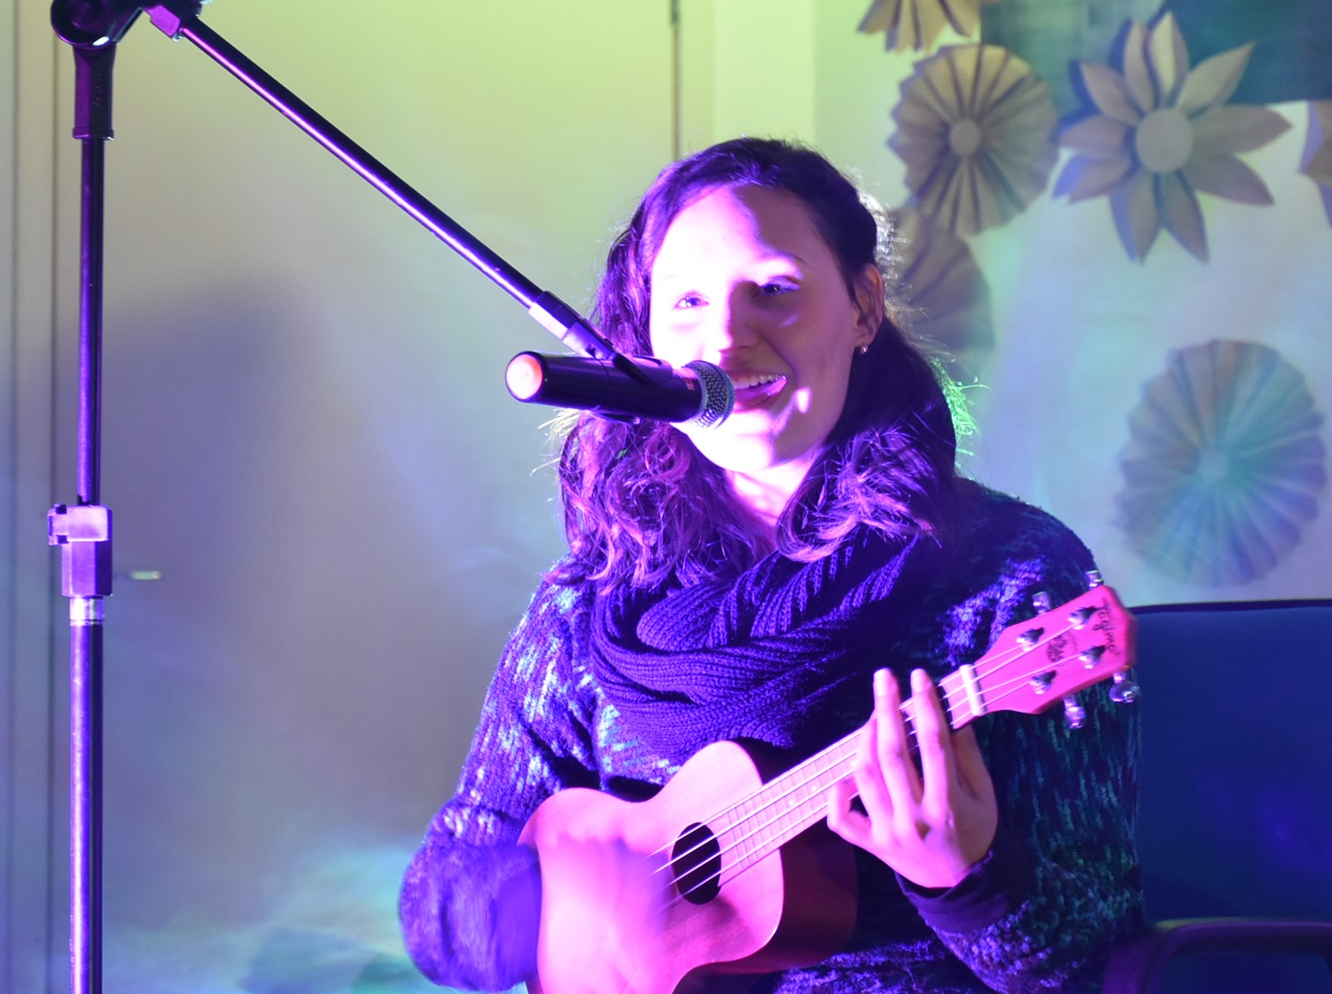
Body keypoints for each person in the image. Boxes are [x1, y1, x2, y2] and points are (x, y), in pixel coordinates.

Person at [399, 138, 1141, 994]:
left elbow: (1097, 959)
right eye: (687, 302)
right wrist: (548, 906)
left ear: (863, 309)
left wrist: (968, 880)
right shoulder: (586, 602)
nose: (726, 337)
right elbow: (437, 894)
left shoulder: (1011, 576)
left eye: (775, 290)